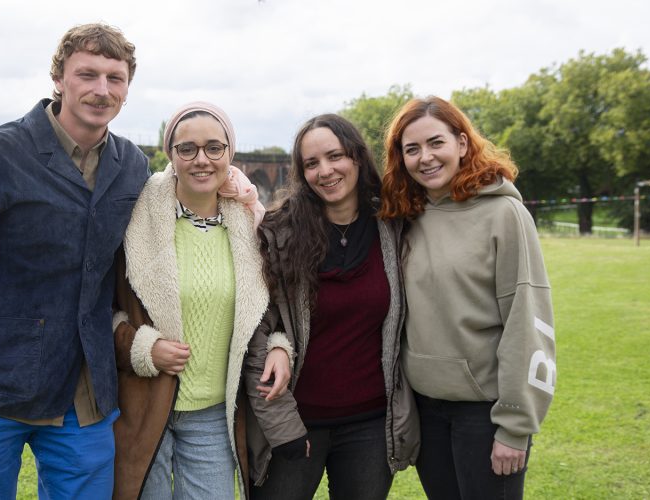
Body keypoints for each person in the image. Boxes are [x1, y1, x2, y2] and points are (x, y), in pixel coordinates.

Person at [0, 23, 150, 499]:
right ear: (59, 78)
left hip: (85, 398)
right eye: (88, 74)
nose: (102, 90)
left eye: (115, 78)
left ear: (127, 87)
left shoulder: (132, 165)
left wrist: (240, 191)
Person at [380, 96, 556, 499]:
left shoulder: (504, 215)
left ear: (461, 143)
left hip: (486, 413)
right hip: (426, 409)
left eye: (435, 143)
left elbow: (528, 321)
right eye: (412, 149)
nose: (425, 157)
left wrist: (514, 427)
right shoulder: (406, 216)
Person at [110, 102, 282, 500]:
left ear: (229, 154)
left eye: (214, 148)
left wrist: (277, 346)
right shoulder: (135, 222)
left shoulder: (253, 228)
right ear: (170, 155)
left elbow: (271, 309)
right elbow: (98, 310)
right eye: (187, 149)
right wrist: (142, 347)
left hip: (211, 413)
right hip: (144, 405)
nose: (201, 159)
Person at [245, 114, 420, 500]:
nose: (325, 171)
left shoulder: (394, 225)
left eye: (335, 156)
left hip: (370, 426)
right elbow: (255, 327)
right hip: (294, 420)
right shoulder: (279, 232)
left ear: (357, 157)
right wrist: (283, 426)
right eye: (311, 163)